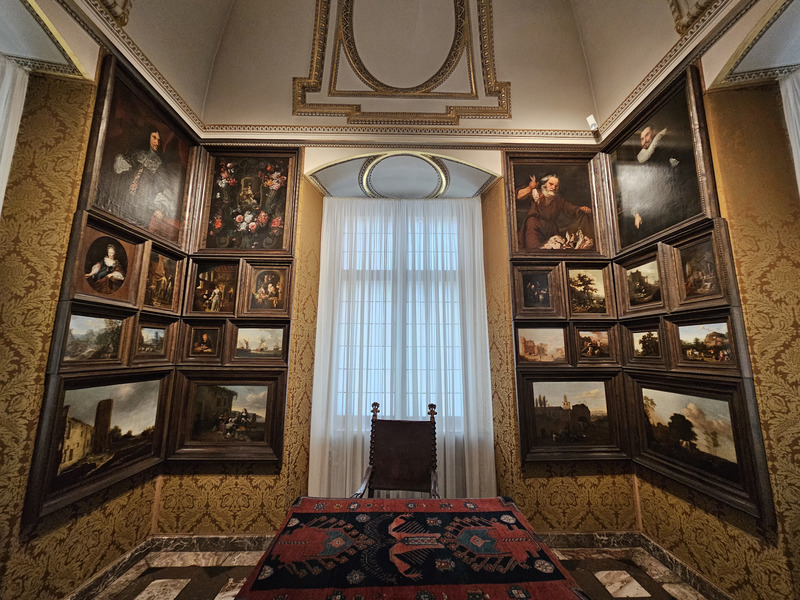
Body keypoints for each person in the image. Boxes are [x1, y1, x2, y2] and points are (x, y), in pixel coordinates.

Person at [104, 128, 178, 237]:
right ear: (147, 137)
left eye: (159, 140)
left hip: (141, 209)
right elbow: (119, 172)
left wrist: (161, 209)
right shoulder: (136, 155)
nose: (156, 142)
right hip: (123, 200)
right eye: (154, 137)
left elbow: (164, 187)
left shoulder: (159, 165)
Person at [517, 174, 594, 249]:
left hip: (551, 229)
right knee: (535, 250)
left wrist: (580, 209)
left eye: (556, 186)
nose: (553, 187)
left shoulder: (558, 200)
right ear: (545, 185)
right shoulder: (536, 193)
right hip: (534, 226)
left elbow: (570, 208)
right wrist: (530, 188)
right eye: (551, 184)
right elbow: (518, 196)